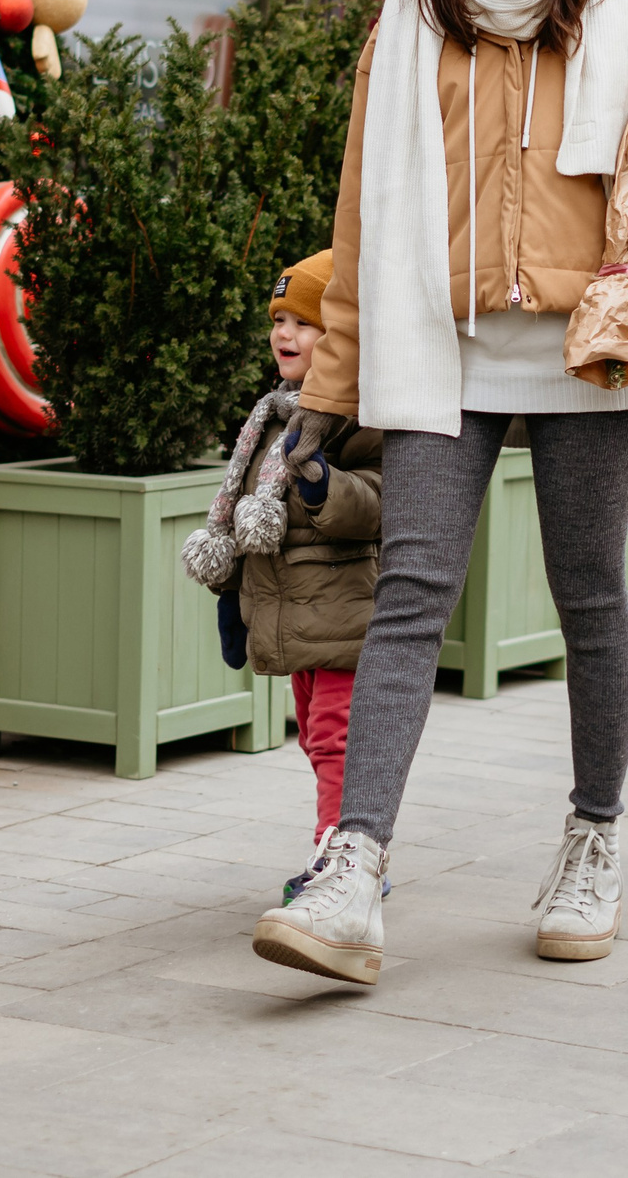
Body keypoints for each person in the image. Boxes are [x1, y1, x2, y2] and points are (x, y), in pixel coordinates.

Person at [251, 0, 628, 987]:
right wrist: (324, 400)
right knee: (409, 596)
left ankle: (593, 840)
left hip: (586, 348)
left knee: (588, 593)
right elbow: (360, 211)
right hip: (437, 349)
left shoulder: (626, 4)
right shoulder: (411, 20)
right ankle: (351, 871)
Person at [182, 251, 383, 900]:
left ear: (344, 334)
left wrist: (325, 480)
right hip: (296, 610)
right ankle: (344, 837)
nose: (284, 334)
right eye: (278, 319)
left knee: (334, 734)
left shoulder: (363, 411)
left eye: (305, 321)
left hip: (346, 606)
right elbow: (246, 504)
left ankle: (343, 852)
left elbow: (383, 502)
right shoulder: (271, 414)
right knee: (314, 730)